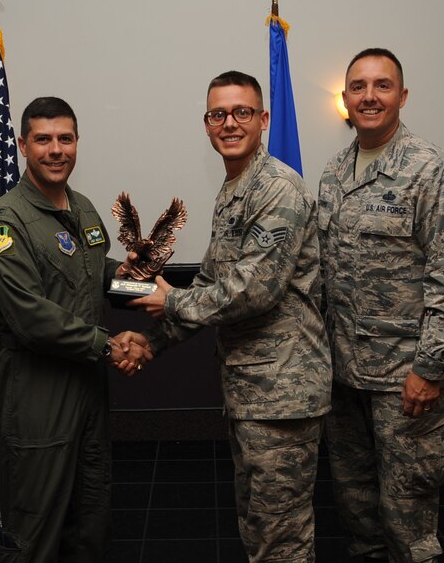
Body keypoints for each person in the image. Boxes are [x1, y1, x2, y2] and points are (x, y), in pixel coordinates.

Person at [119, 71, 332, 563]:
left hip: (283, 397)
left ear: (263, 119)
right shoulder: (235, 189)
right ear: (206, 124)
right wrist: (154, 340)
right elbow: (210, 287)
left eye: (241, 112)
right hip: (252, 392)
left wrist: (167, 301)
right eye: (218, 114)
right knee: (260, 526)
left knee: (281, 539)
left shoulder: (277, 188)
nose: (229, 123)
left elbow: (251, 292)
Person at [0, 96, 150, 562]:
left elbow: (95, 274)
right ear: (23, 146)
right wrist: (110, 347)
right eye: (43, 139)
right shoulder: (1, 224)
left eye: (65, 139)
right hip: (37, 391)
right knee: (34, 528)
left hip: (87, 385)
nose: (56, 150)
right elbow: (29, 315)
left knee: (90, 517)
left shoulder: (83, 208)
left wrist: (140, 283)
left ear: (77, 143)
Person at [318, 48, 444, 563]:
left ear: (402, 96)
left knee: (408, 524)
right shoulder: (334, 172)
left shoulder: (434, 171)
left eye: (382, 85)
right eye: (359, 87)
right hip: (343, 378)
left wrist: (430, 369)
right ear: (345, 99)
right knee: (358, 515)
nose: (369, 96)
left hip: (403, 382)